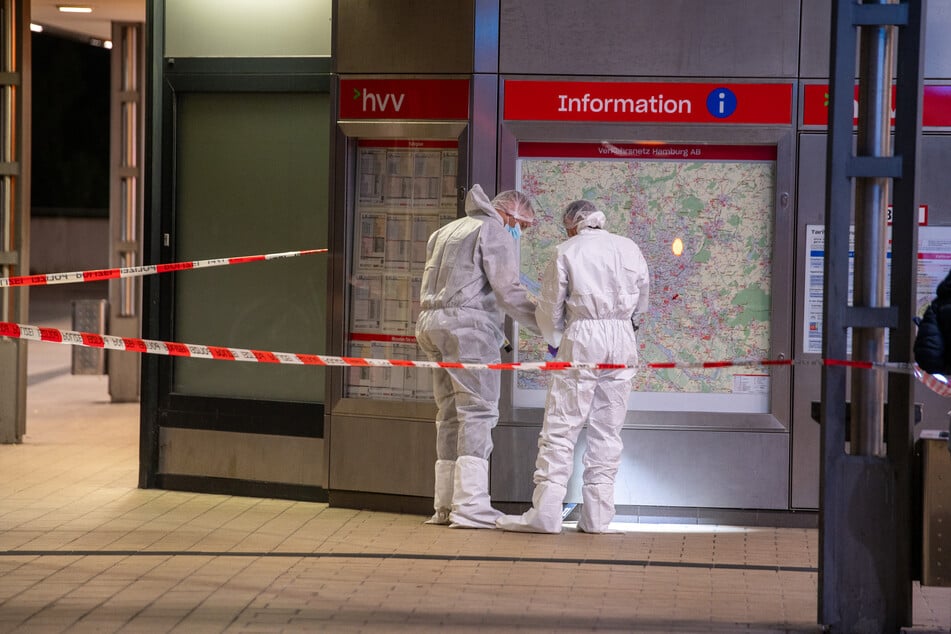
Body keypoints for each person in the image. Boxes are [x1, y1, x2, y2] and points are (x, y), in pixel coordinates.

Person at [496, 199, 650, 534]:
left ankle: (547, 514)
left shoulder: (566, 250)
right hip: (622, 339)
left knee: (561, 428)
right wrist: (626, 324)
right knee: (607, 431)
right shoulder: (629, 247)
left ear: (571, 223)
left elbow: (551, 306)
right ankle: (597, 518)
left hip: (582, 337)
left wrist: (554, 339)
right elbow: (643, 299)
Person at [415, 184, 541, 528]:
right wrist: (547, 327)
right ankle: (470, 506)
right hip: (467, 330)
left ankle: (444, 505)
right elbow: (509, 292)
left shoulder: (446, 231)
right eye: (523, 226)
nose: (520, 233)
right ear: (509, 213)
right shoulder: (492, 230)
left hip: (430, 325)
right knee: (477, 411)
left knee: (449, 414)